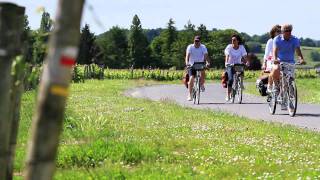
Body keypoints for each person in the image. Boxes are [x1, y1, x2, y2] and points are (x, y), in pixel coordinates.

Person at [271, 24, 305, 109]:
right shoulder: (277, 39)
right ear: (282, 32)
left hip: (290, 62)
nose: (288, 32)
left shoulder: (295, 39)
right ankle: (275, 86)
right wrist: (275, 59)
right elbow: (275, 51)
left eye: (290, 30)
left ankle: (289, 99)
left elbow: (298, 52)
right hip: (280, 61)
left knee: (290, 80)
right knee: (276, 70)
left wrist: (301, 59)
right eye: (286, 30)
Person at [258, 25, 281, 95]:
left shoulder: (283, 41)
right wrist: (264, 63)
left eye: (281, 31)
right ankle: (270, 86)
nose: (280, 33)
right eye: (278, 31)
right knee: (274, 71)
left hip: (281, 60)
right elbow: (267, 54)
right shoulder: (270, 41)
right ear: (273, 32)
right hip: (271, 60)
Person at [185, 35, 210, 101]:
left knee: (203, 74)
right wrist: (187, 63)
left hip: (200, 64)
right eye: (195, 41)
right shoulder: (190, 47)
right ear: (194, 41)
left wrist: (207, 63)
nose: (196, 42)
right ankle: (190, 95)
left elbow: (206, 56)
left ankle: (201, 84)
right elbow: (187, 56)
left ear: (200, 41)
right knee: (191, 78)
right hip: (192, 65)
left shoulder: (203, 47)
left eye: (197, 41)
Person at [224, 34, 248, 101]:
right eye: (232, 40)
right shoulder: (229, 47)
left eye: (234, 40)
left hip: (238, 64)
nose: (232, 41)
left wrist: (247, 62)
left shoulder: (241, 47)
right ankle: (228, 95)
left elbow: (244, 56)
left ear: (238, 41)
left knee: (242, 69)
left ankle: (241, 83)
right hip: (230, 65)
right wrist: (226, 62)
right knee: (230, 80)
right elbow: (227, 55)